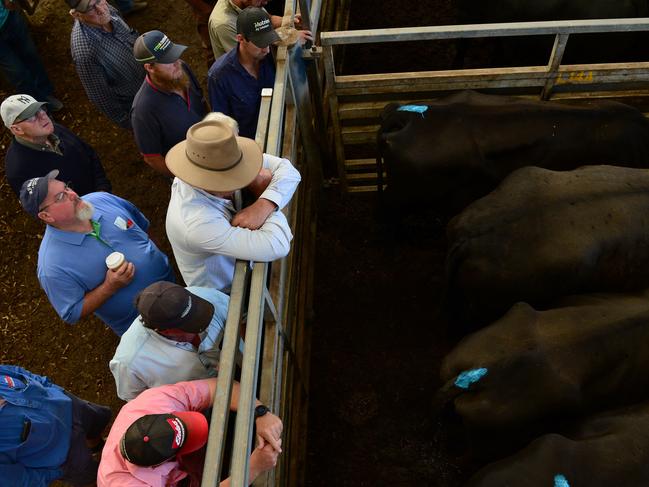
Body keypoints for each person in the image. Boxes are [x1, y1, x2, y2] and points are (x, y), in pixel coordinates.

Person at [20, 170, 175, 336]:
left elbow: (142, 225)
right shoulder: (51, 265)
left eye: (66, 188)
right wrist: (109, 287)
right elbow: (71, 312)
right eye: (60, 197)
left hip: (173, 286)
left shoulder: (101, 199)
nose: (72, 194)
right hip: (145, 325)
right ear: (46, 215)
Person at [165, 118, 301, 292]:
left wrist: (264, 204)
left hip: (240, 256)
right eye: (225, 180)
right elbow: (277, 244)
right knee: (243, 310)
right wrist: (263, 191)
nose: (238, 183)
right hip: (225, 287)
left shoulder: (212, 159)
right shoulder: (195, 224)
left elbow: (289, 171)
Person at [97, 378, 282, 486]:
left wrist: (260, 412)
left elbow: (220, 386)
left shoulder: (154, 402)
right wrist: (252, 469)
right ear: (161, 463)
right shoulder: (128, 483)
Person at [110, 281, 229, 401]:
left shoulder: (206, 295)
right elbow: (137, 401)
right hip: (194, 408)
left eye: (197, 311)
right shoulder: (129, 362)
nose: (200, 323)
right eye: (191, 324)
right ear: (165, 331)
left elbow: (243, 319)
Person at [0, 364, 112, 486]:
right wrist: (58, 471)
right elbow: (20, 480)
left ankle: (97, 446)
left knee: (97, 422)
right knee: (94, 478)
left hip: (66, 403)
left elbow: (16, 372)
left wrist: (49, 386)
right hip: (67, 457)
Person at [131, 30, 208, 177]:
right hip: (188, 167)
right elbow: (152, 158)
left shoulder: (181, 68)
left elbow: (201, 99)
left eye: (175, 55)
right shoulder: (143, 110)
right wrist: (184, 177)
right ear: (150, 67)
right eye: (168, 60)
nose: (177, 62)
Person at [1, 93, 111, 197]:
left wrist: (102, 190)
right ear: (17, 129)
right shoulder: (19, 170)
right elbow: (44, 209)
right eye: (31, 116)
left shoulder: (55, 129)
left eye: (41, 109)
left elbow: (89, 154)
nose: (43, 115)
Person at [68, 0, 145, 129]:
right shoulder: (85, 53)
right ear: (76, 15)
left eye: (99, 0)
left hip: (150, 78)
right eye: (90, 8)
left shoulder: (108, 9)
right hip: (137, 101)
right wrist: (130, 123)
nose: (101, 9)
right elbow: (101, 96)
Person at [207, 7, 278, 139]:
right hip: (249, 143)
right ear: (240, 39)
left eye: (268, 41)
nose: (266, 50)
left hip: (277, 129)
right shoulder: (219, 77)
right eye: (260, 44)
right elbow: (223, 126)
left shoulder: (272, 54)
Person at [0, 0, 62, 110]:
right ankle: (38, 107)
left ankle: (46, 94)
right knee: (17, 72)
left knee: (31, 55)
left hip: (9, 16)